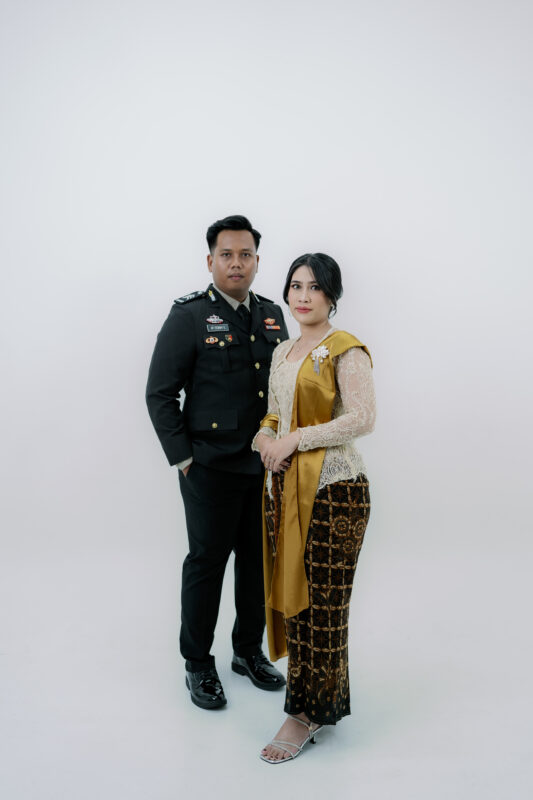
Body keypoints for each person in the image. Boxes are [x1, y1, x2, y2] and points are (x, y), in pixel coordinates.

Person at [146, 215, 288, 710]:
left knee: (257, 563)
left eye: (245, 254)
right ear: (210, 261)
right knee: (207, 565)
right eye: (226, 255)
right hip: (208, 468)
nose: (236, 263)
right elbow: (160, 394)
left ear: (256, 261)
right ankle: (198, 663)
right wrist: (184, 459)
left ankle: (247, 651)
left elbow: (279, 389)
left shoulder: (272, 314)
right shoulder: (188, 316)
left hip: (262, 466)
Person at [253, 253, 376, 762]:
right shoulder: (283, 350)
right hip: (284, 490)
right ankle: (318, 703)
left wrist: (296, 440)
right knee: (295, 599)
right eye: (295, 286)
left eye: (315, 287)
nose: (303, 296)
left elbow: (362, 418)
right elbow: (274, 413)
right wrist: (265, 438)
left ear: (332, 295)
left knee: (324, 606)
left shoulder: (345, 349)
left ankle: (304, 714)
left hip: (334, 491)